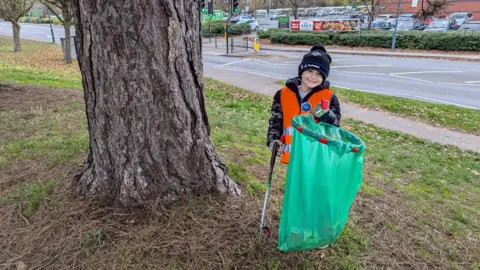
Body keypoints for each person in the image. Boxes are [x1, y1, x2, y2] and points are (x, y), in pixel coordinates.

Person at [266, 44, 341, 164]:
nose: (313, 77)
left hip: (315, 157)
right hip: (291, 155)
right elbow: (276, 122)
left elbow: (335, 128)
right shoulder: (283, 94)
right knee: (293, 182)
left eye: (319, 74)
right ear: (301, 71)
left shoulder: (329, 97)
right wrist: (273, 141)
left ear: (324, 77)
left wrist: (326, 115)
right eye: (310, 71)